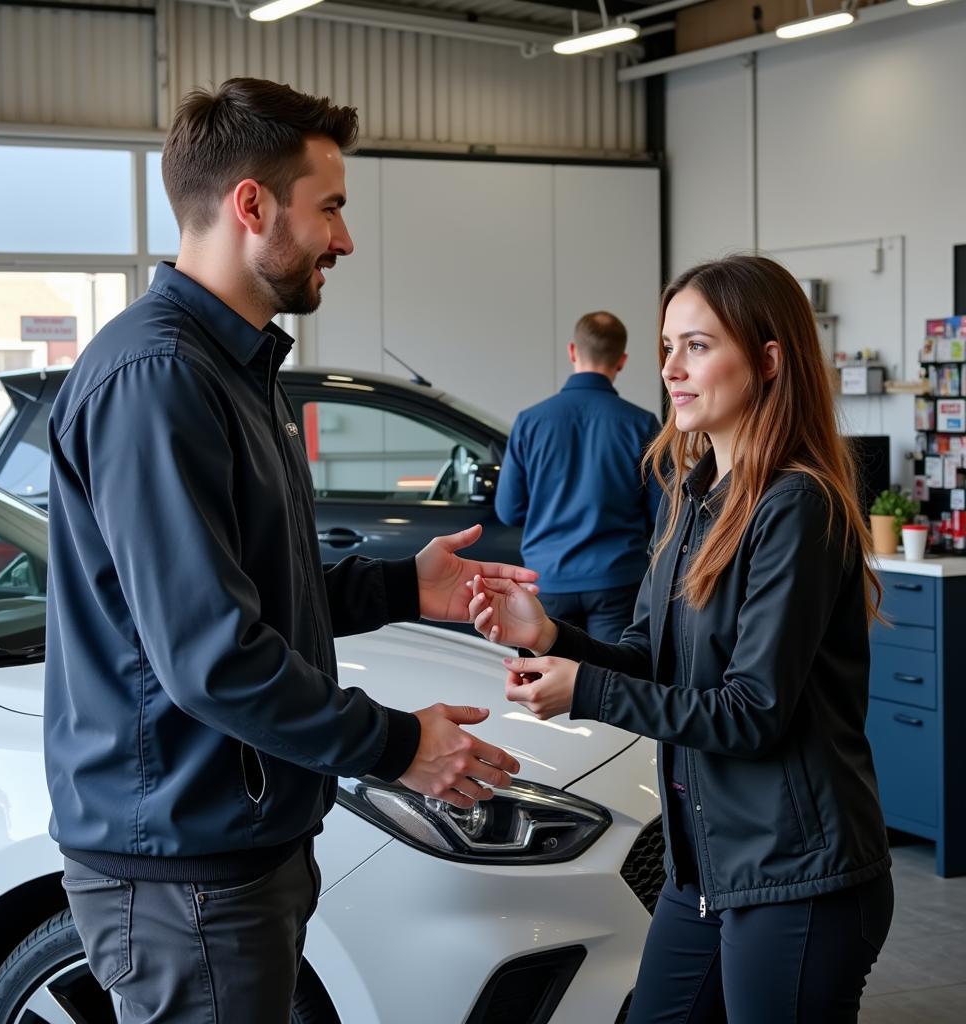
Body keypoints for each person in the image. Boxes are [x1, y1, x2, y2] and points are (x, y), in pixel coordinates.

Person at [44, 78, 535, 1023]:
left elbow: (254, 588)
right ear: (252, 205)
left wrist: (401, 584)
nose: (345, 241)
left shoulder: (236, 366)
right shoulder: (160, 380)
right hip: (184, 862)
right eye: (332, 208)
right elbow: (213, 657)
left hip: (233, 843)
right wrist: (398, 745)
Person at [469, 255, 894, 1023]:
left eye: (697, 346)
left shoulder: (796, 506)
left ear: (768, 361)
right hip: (703, 866)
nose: (671, 368)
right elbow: (653, 658)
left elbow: (751, 712)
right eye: (668, 347)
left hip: (795, 875)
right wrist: (554, 637)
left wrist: (584, 690)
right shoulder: (688, 495)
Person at [495, 311, 661, 642]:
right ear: (622, 360)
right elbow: (662, 513)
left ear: (573, 351)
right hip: (617, 580)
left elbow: (509, 509)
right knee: (612, 682)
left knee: (545, 684)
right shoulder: (642, 424)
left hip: (548, 579)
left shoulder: (530, 421)